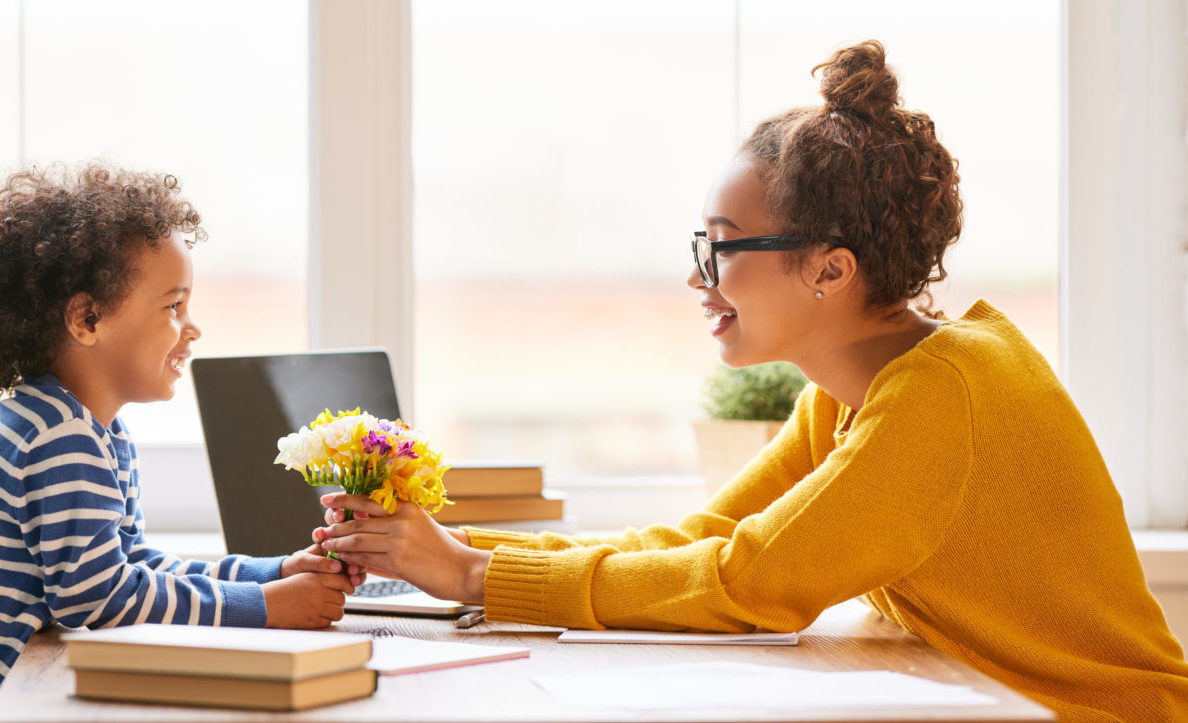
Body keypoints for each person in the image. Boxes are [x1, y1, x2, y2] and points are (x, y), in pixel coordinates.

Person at [316, 41, 1188, 721]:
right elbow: (699, 537)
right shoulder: (848, 396)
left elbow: (748, 584)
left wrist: (472, 577)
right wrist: (458, 558)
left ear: (829, 270)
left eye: (721, 246)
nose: (699, 277)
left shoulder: (942, 396)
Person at [0, 163, 356, 723]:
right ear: (87, 318)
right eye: (173, 306)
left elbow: (127, 566)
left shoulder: (93, 430)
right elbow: (99, 598)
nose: (193, 327)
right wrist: (262, 608)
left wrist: (270, 574)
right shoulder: (59, 438)